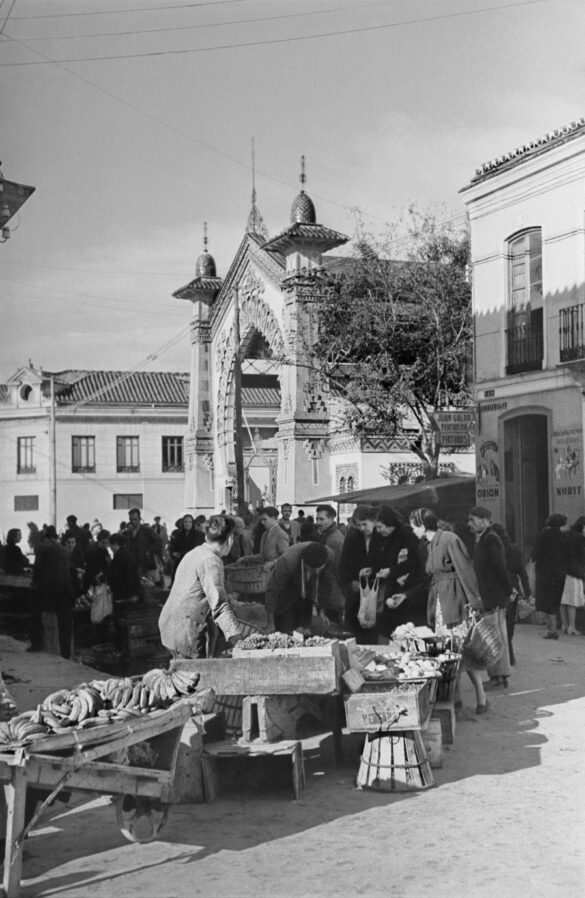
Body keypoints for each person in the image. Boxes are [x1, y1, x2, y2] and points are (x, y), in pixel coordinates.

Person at [409, 507, 488, 715]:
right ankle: (457, 699)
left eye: (413, 527)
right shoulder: (428, 544)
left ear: (422, 525)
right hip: (441, 602)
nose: (412, 531)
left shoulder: (449, 539)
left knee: (460, 653)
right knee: (450, 653)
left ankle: (480, 697)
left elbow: (465, 571)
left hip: (455, 601)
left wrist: (475, 603)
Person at [159, 514, 242, 658]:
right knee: (194, 676)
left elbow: (198, 590)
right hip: (185, 632)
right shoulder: (211, 560)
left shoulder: (196, 552)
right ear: (230, 539)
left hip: (170, 626)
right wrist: (238, 640)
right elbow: (219, 606)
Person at [467, 506, 513, 691]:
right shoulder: (485, 538)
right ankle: (499, 677)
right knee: (496, 636)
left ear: (484, 519)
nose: (470, 523)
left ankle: (498, 678)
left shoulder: (490, 539)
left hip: (494, 596)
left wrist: (508, 590)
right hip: (493, 595)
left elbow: (499, 568)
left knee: (494, 638)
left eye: (473, 519)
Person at [370, 505, 425, 637]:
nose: (377, 531)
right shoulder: (383, 537)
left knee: (404, 630)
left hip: (408, 591)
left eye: (380, 527)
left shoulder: (406, 535)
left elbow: (414, 562)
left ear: (389, 524)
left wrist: (391, 571)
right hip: (391, 590)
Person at [264, 541, 337, 633]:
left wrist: (322, 609)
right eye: (313, 569)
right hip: (287, 590)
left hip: (307, 593)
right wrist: (270, 620)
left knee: (305, 628)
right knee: (285, 625)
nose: (317, 572)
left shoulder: (329, 556)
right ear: (305, 564)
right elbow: (272, 590)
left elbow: (326, 584)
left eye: (320, 569)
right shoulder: (287, 561)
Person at [339, 505, 382, 643]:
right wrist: (350, 581)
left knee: (371, 629)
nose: (363, 528)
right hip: (356, 592)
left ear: (373, 521)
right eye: (359, 525)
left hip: (376, 590)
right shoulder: (352, 536)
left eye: (365, 524)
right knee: (353, 631)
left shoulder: (381, 535)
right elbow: (343, 563)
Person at [31, 525, 75, 658]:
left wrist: (35, 583)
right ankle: (66, 652)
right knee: (65, 622)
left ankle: (37, 642)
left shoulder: (43, 549)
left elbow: (37, 570)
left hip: (50, 591)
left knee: (34, 609)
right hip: (65, 590)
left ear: (47, 539)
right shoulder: (64, 550)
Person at [492, 522, 531, 665]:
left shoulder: (494, 548)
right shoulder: (513, 548)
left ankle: (505, 657)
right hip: (513, 588)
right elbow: (522, 571)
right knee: (509, 623)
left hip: (499, 588)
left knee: (499, 623)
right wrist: (527, 592)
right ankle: (510, 655)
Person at [532, 513, 569, 640]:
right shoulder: (564, 536)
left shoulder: (543, 535)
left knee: (545, 601)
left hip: (544, 572)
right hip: (560, 573)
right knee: (555, 600)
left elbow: (535, 553)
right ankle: (552, 628)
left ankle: (552, 629)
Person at [315, 505, 345, 624]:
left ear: (332, 518)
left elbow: (330, 573)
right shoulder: (329, 535)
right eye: (317, 519)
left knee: (332, 633)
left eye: (322, 519)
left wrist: (322, 606)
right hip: (333, 596)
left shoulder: (333, 540)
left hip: (332, 597)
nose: (318, 522)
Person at [560, 515, 585, 635]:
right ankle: (572, 626)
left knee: (563, 600)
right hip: (575, 572)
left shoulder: (565, 534)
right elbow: (582, 556)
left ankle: (564, 625)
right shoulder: (580, 538)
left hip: (562, 571)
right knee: (572, 601)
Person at [124, 507, 162, 580]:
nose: (133, 522)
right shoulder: (129, 532)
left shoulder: (147, 530)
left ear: (139, 519)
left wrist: (149, 551)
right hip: (134, 564)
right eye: (131, 519)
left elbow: (159, 540)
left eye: (135, 519)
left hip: (146, 564)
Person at [168, 513, 205, 581]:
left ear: (192, 523)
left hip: (193, 564)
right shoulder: (177, 534)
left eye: (189, 522)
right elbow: (173, 546)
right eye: (185, 522)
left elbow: (197, 549)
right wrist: (173, 553)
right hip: (180, 562)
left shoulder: (199, 535)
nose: (187, 524)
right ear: (183, 523)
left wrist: (182, 553)